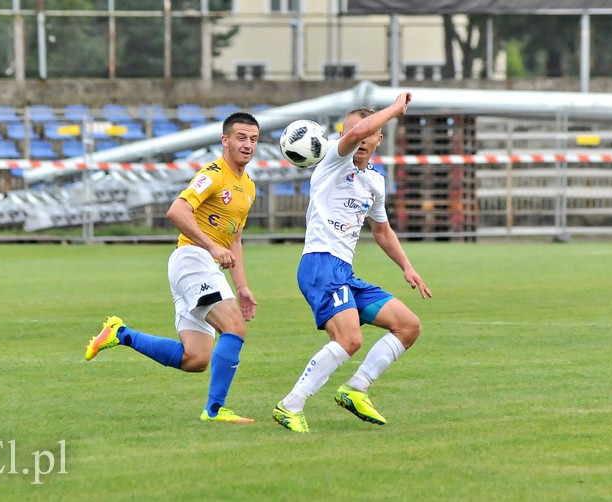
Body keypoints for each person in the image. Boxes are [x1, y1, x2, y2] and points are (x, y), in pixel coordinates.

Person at [85, 112, 260, 424]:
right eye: (241, 138)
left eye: (253, 139)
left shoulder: (248, 186)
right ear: (225, 141)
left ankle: (121, 334)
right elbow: (177, 210)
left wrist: (243, 286)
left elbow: (235, 240)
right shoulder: (214, 174)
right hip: (192, 259)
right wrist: (211, 246)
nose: (248, 145)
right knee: (235, 328)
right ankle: (215, 411)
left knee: (195, 358)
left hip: (201, 265)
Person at [272, 92, 432, 433]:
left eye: (364, 131)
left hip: (343, 271)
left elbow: (382, 230)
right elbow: (354, 135)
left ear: (378, 138)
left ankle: (356, 388)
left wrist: (407, 266)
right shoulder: (333, 159)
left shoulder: (375, 181)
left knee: (408, 325)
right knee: (350, 339)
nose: (356, 137)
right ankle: (290, 405)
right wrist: (394, 109)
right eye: (349, 131)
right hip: (320, 263)